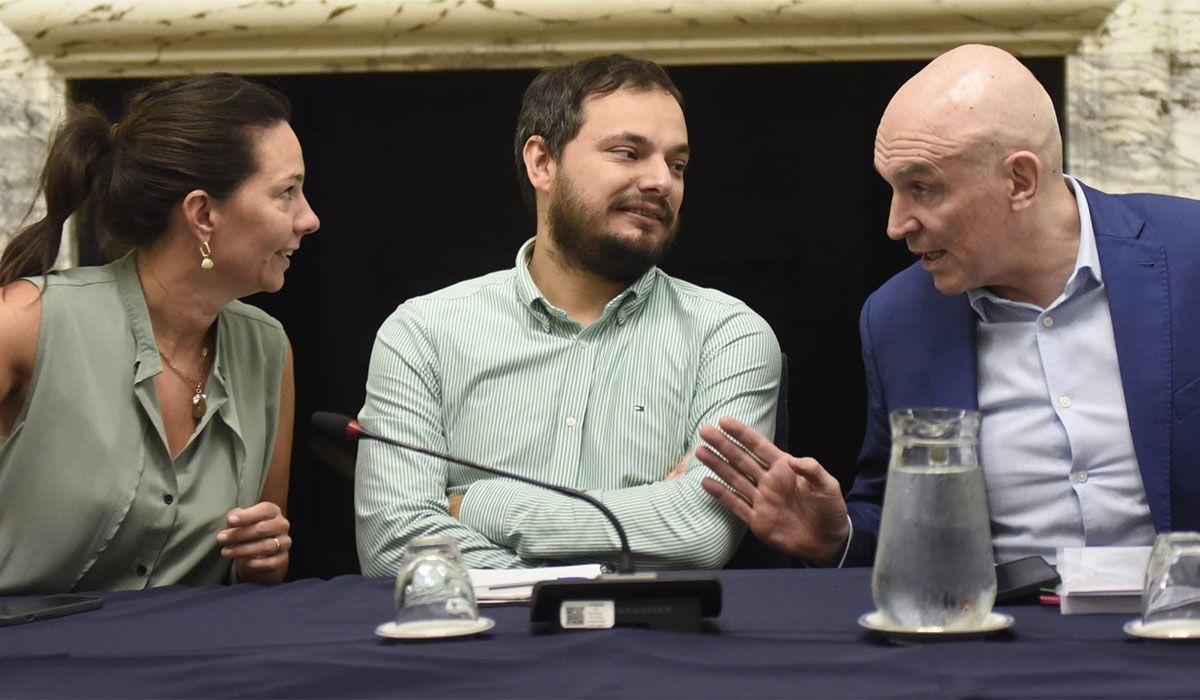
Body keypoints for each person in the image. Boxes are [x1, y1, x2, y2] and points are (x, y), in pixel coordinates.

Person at [697, 44, 1200, 567]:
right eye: (892, 189)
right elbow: (896, 516)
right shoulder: (898, 319)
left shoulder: (1190, 256)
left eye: (922, 188)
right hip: (999, 634)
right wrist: (839, 536)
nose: (897, 225)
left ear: (1020, 180)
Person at [355, 54, 781, 573]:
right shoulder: (422, 333)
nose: (661, 182)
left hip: (650, 649)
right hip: (474, 648)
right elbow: (393, 544)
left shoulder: (729, 336)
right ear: (542, 163)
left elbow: (699, 532)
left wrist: (482, 504)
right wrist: (586, 572)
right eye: (629, 153)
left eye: (677, 164)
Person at [0, 75, 320, 594]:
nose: (310, 219)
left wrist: (264, 557)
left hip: (193, 661)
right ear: (202, 213)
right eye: (287, 192)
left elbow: (259, 571)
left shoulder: (268, 349)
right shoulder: (26, 323)